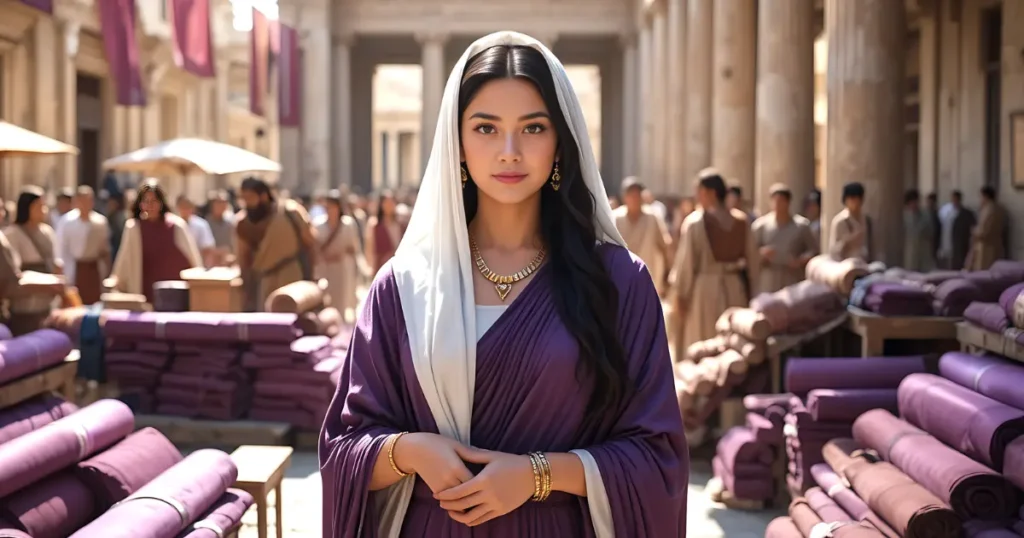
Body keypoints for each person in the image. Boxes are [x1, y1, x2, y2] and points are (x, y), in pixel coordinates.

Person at [320, 32, 688, 537]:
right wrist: (412, 451)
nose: (510, 151)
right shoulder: (402, 286)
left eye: (533, 128)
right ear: (457, 142)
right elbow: (344, 446)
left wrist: (537, 474)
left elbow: (656, 454)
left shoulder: (619, 282)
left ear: (561, 140)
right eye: (486, 128)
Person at [670, 168, 757, 356]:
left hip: (704, 293)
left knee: (703, 343)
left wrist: (680, 295)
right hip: (736, 291)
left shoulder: (695, 223)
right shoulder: (742, 221)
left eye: (699, 191)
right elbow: (754, 265)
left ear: (711, 193)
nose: (696, 196)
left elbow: (686, 265)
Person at [108, 181, 201, 303]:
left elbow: (192, 258)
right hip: (144, 290)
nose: (150, 205)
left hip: (173, 292)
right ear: (140, 204)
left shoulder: (176, 226)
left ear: (161, 202)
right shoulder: (133, 228)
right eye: (146, 201)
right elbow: (124, 259)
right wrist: (117, 282)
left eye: (154, 201)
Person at [235, 177, 317, 311]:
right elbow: (244, 259)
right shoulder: (243, 224)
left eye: (250, 198)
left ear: (263, 196)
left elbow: (310, 244)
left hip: (292, 276)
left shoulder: (290, 212)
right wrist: (247, 291)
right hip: (263, 281)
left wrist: (312, 276)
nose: (247, 203)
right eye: (244, 199)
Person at [3, 187, 62, 334]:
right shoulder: (13, 234)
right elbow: (13, 273)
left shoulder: (47, 232)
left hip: (47, 302)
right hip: (24, 305)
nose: (43, 210)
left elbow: (54, 261)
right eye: (38, 206)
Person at [751, 184, 817, 294]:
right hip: (768, 277)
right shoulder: (760, 226)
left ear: (788, 202)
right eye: (774, 201)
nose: (777, 204)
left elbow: (813, 250)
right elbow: (750, 251)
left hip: (792, 277)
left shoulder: (801, 226)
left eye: (781, 201)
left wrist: (800, 261)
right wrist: (761, 254)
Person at [613, 177, 672, 296]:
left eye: (637, 195)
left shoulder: (652, 218)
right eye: (631, 195)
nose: (635, 199)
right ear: (625, 197)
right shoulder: (615, 218)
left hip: (648, 275)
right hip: (621, 276)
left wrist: (667, 272)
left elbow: (664, 245)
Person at [313, 190, 365, 321]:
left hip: (343, 268)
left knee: (342, 301)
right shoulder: (319, 225)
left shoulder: (348, 224)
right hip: (325, 268)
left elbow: (354, 248)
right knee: (326, 301)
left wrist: (342, 253)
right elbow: (315, 248)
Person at [55, 186, 111, 304]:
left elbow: (105, 249)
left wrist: (107, 273)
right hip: (74, 267)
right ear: (76, 202)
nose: (86, 204)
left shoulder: (100, 222)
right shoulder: (66, 222)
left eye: (89, 200)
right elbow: (60, 248)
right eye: (82, 201)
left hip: (93, 269)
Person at [364, 190, 406, 274]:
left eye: (391, 203)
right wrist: (370, 266)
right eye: (386, 203)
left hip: (399, 265)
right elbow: (369, 247)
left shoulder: (400, 224)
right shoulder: (374, 224)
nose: (389, 206)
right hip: (382, 266)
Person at [828, 182, 872, 261]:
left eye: (856, 198)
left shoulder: (866, 220)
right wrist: (847, 241)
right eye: (851, 198)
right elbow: (833, 251)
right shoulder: (840, 221)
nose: (854, 202)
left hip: (865, 263)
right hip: (845, 266)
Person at [967, 185, 1006, 271]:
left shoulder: (988, 210)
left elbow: (983, 231)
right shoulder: (999, 208)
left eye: (981, 196)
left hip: (985, 248)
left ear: (986, 196)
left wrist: (973, 231)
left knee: (983, 271)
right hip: (996, 245)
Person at [938, 190, 974, 270]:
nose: (954, 201)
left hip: (961, 243)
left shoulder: (966, 213)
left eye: (956, 199)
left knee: (960, 263)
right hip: (948, 240)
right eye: (953, 199)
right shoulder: (946, 211)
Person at [901, 189, 936, 272]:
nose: (912, 205)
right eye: (910, 204)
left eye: (914, 202)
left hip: (924, 253)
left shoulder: (926, 215)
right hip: (911, 254)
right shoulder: (906, 216)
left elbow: (931, 233)